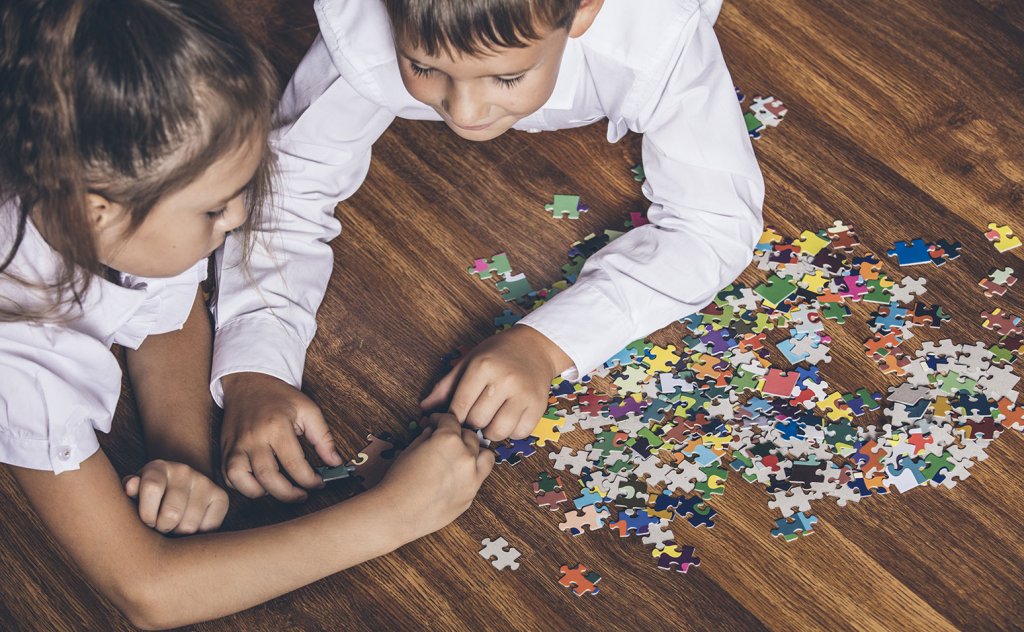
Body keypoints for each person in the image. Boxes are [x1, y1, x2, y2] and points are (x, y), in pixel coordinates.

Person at [0, 1, 492, 628]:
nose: (237, 221)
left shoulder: (119, 192)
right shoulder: (20, 355)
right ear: (98, 212)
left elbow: (165, 310)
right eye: (214, 211)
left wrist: (183, 458)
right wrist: (395, 514)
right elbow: (146, 591)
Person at [214, 0, 764, 502]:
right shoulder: (367, 25)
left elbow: (713, 222)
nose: (465, 111)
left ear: (585, 11)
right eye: (425, 68)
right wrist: (255, 368)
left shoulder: (658, 36)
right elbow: (283, 191)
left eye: (506, 76)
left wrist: (549, 344)